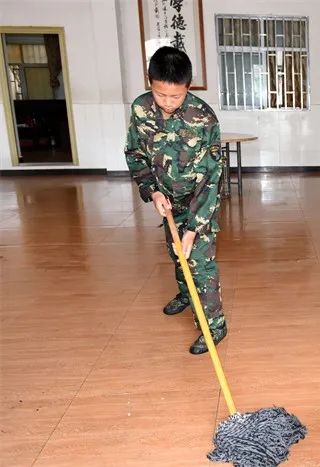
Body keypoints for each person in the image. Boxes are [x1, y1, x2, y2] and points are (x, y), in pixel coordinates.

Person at [124, 46, 227, 354]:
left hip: (199, 202)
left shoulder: (203, 118)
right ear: (150, 82)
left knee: (198, 263)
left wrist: (194, 227)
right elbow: (135, 153)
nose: (168, 102)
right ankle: (186, 294)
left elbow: (211, 177)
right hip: (167, 199)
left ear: (188, 87)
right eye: (161, 94)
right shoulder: (141, 109)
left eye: (176, 96)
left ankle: (214, 326)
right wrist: (152, 191)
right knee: (176, 253)